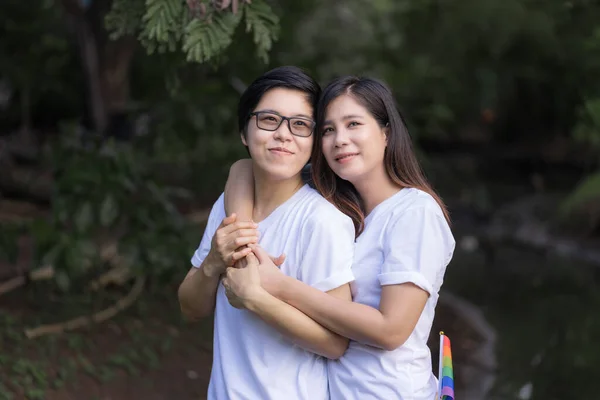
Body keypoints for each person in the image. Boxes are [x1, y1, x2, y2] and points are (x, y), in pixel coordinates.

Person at [223, 76, 455, 400]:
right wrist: (243, 246)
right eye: (328, 130)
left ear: (386, 132)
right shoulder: (342, 206)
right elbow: (243, 168)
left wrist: (279, 286)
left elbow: (391, 330)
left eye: (353, 124)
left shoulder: (415, 212)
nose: (339, 140)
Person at [177, 66, 356, 400]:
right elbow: (190, 308)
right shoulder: (227, 206)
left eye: (300, 125)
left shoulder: (321, 222)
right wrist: (214, 262)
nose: (284, 134)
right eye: (269, 119)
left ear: (315, 142)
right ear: (244, 132)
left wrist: (255, 299)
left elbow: (336, 344)